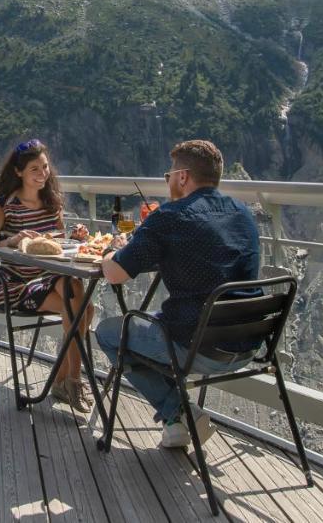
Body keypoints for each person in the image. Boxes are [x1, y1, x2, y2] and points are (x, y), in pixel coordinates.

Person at [96, 139, 261, 448]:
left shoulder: (171, 216)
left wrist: (110, 252)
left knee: (110, 333)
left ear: (183, 177)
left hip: (199, 346)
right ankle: (177, 427)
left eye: (169, 173)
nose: (168, 179)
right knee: (157, 322)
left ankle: (181, 412)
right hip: (250, 343)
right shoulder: (243, 213)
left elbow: (116, 274)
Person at [0, 138, 95, 411]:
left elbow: (57, 245)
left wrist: (74, 237)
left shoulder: (52, 203)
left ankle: (65, 381)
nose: (43, 175)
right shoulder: (5, 206)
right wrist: (9, 241)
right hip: (17, 286)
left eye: (45, 168)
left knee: (81, 303)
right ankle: (70, 381)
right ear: (19, 172)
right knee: (81, 308)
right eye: (35, 170)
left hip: (50, 278)